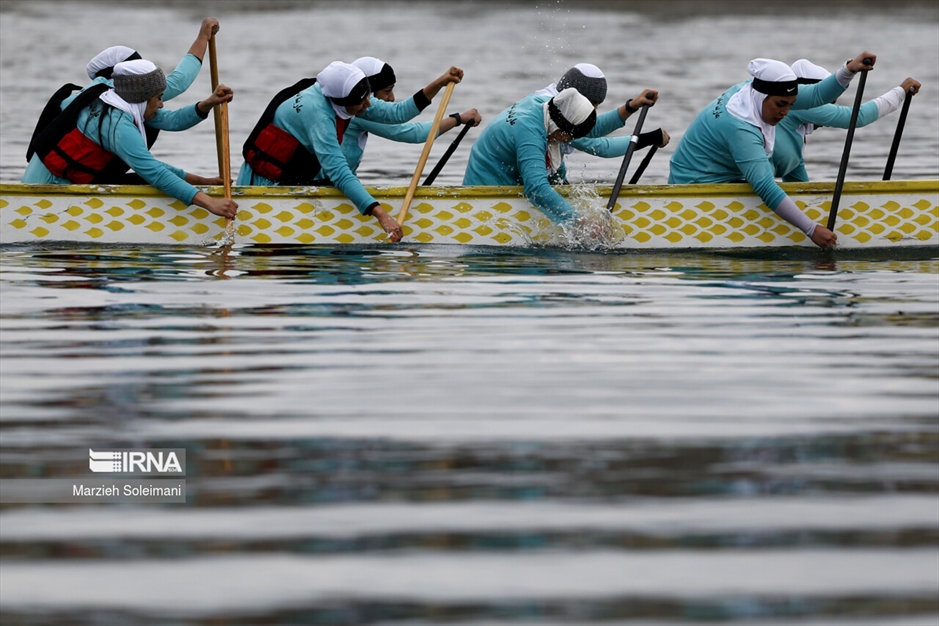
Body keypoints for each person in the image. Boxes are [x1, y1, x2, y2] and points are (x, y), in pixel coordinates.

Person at [668, 52, 877, 248]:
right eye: (780, 105)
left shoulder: (754, 90)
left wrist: (849, 70)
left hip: (716, 183)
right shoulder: (740, 127)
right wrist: (811, 229)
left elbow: (816, 94)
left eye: (790, 104)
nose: (785, 112)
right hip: (691, 194)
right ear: (763, 97)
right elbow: (764, 186)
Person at [238, 61, 464, 242]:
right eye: (363, 101)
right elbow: (339, 172)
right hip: (265, 188)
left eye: (368, 97)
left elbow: (396, 114)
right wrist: (382, 215)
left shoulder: (344, 93)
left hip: (295, 177)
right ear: (342, 102)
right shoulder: (318, 115)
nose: (368, 105)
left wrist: (441, 82)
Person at [22, 59, 237, 220]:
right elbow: (153, 171)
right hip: (47, 194)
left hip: (67, 184)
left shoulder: (112, 98)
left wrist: (210, 102)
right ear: (142, 98)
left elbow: (173, 121)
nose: (161, 104)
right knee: (151, 179)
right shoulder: (118, 125)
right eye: (159, 98)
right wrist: (211, 204)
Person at [26, 18, 223, 163]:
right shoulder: (113, 99)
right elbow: (179, 83)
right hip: (55, 179)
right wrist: (202, 36)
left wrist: (207, 104)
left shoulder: (117, 97)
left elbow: (174, 114)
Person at [463, 87, 599, 225]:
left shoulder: (547, 106)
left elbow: (554, 169)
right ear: (562, 132)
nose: (569, 141)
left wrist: (622, 113)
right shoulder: (529, 133)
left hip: (501, 182)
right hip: (481, 200)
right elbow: (536, 188)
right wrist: (580, 222)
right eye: (570, 137)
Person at [773, 59, 921, 182]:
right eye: (829, 104)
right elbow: (856, 117)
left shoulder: (793, 143)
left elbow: (801, 192)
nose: (825, 118)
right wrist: (900, 92)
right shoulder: (800, 103)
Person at [340, 56, 482, 176]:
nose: (392, 98)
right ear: (367, 92)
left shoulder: (349, 106)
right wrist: (457, 118)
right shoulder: (358, 111)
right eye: (387, 91)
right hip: (326, 184)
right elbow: (413, 131)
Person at [532, 63, 669, 178]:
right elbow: (602, 147)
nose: (594, 113)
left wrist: (631, 106)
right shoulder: (556, 118)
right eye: (592, 106)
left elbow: (592, 130)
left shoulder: (557, 101)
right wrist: (651, 138)